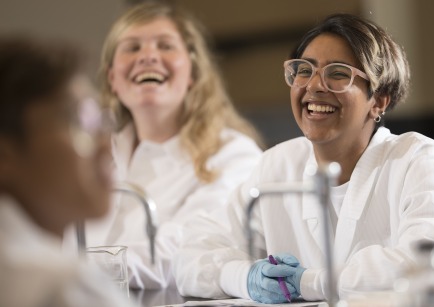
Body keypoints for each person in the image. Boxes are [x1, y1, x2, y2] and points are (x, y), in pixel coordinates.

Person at [174, 13, 434, 303]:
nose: (313, 86)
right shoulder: (277, 165)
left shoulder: (416, 160)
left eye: (338, 74)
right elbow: (191, 256)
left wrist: (311, 282)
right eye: (304, 70)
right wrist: (244, 276)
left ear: (379, 101)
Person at [63, 2, 263, 289]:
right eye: (132, 47)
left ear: (193, 74)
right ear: (113, 79)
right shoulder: (87, 154)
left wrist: (65, 269)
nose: (148, 56)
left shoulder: (233, 156)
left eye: (165, 46)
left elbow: (184, 256)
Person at [0, 36, 135, 306]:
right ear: (5, 154)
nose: (106, 149)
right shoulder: (64, 287)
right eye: (80, 122)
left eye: (102, 123)